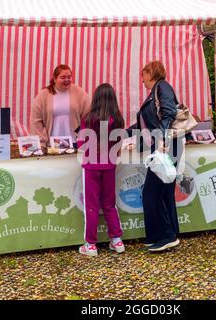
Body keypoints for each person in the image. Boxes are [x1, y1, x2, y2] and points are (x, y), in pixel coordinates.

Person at [126, 61, 182, 252]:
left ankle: (167, 236)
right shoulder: (155, 93)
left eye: (143, 75)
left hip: (165, 147)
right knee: (162, 193)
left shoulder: (162, 87)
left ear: (151, 73)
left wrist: (162, 141)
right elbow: (145, 124)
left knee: (151, 193)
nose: (141, 80)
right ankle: (160, 235)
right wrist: (122, 133)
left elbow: (169, 112)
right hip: (162, 146)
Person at [77, 83, 125, 257]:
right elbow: (119, 145)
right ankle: (117, 240)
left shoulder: (88, 118)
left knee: (92, 206)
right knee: (109, 204)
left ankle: (90, 244)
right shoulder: (118, 119)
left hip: (91, 166)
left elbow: (81, 145)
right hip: (110, 165)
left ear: (95, 98)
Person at [30, 64, 91, 149]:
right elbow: (36, 121)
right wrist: (42, 141)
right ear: (55, 79)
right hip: (52, 143)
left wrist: (82, 135)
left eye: (69, 77)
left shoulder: (79, 92)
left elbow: (88, 116)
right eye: (63, 77)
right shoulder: (43, 95)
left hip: (75, 142)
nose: (67, 80)